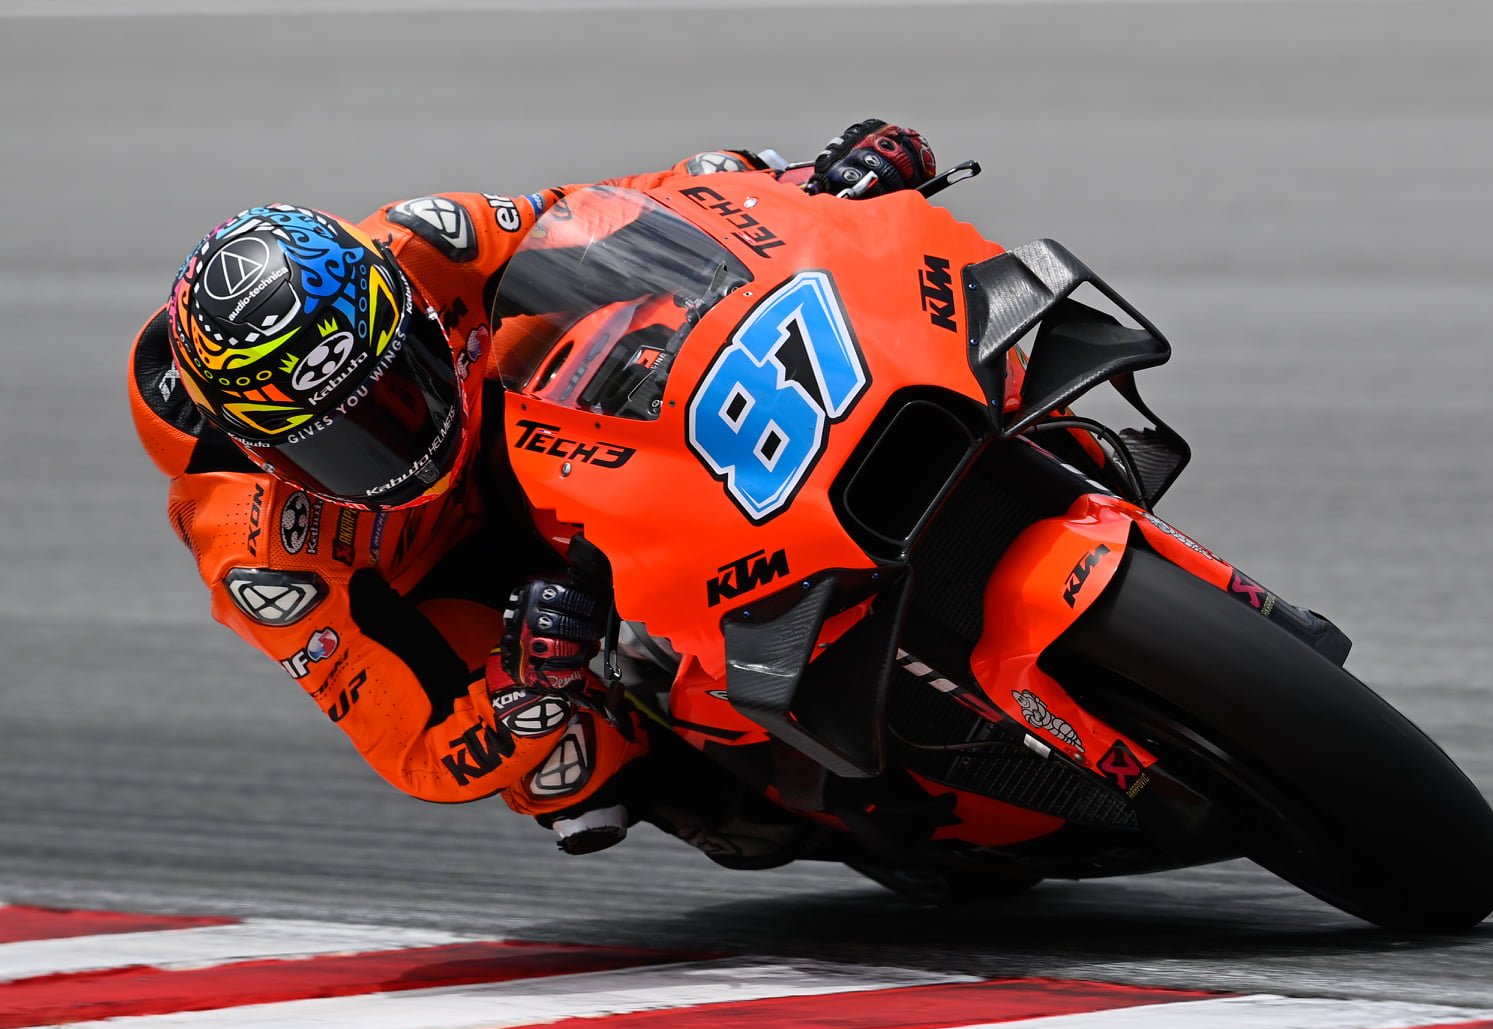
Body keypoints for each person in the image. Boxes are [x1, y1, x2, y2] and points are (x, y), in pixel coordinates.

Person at [127, 121, 936, 855]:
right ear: (261, 451)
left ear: (406, 307)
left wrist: (799, 185)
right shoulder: (256, 548)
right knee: (566, 764)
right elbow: (416, 750)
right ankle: (765, 804)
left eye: (400, 387)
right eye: (339, 443)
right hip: (449, 584)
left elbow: (619, 214)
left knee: (668, 302)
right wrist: (522, 687)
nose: (395, 443)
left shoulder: (425, 242)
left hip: (524, 427)